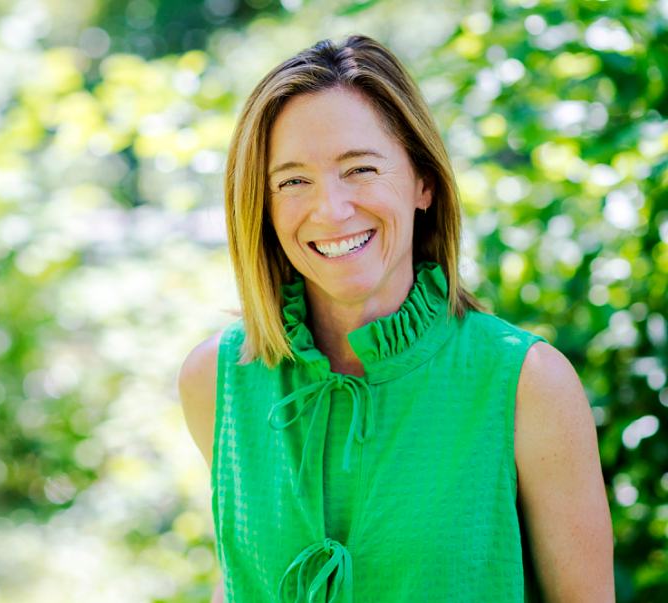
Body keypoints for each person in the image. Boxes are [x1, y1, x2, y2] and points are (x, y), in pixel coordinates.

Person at [179, 35, 614, 603]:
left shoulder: (528, 384)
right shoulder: (216, 379)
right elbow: (240, 581)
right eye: (293, 181)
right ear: (261, 205)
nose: (331, 210)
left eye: (359, 169)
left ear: (423, 182)